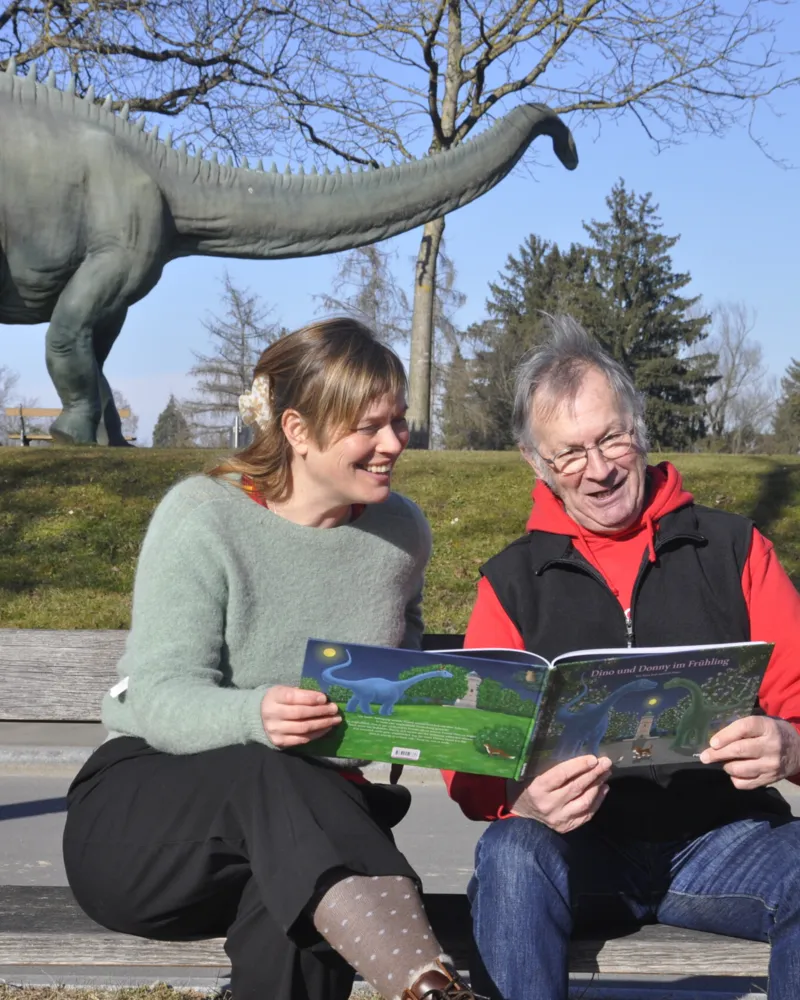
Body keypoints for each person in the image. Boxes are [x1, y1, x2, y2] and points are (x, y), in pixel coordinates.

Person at [63, 318, 482, 1000]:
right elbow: (157, 694)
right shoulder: (205, 516)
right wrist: (256, 713)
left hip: (302, 836)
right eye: (368, 426)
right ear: (296, 429)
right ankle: (420, 976)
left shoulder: (400, 532)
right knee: (273, 776)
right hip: (147, 823)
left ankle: (428, 985)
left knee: (303, 908)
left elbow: (394, 678)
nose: (392, 444)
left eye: (399, 422)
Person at [444, 315, 800, 1000]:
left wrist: (788, 746)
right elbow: (470, 768)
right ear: (535, 463)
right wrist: (519, 799)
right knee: (509, 855)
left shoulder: (734, 549)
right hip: (577, 851)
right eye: (570, 454)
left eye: (612, 437)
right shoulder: (511, 582)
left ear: (640, 427)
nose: (600, 469)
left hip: (725, 840)